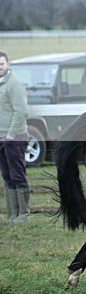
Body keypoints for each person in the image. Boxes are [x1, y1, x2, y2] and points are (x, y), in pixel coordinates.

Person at [0, 51, 31, 223]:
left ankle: (24, 214)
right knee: (7, 177)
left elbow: (21, 111)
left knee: (18, 175)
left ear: (8, 65)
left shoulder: (14, 84)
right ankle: (13, 214)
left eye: (1, 64)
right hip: (2, 138)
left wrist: (11, 134)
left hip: (14, 138)